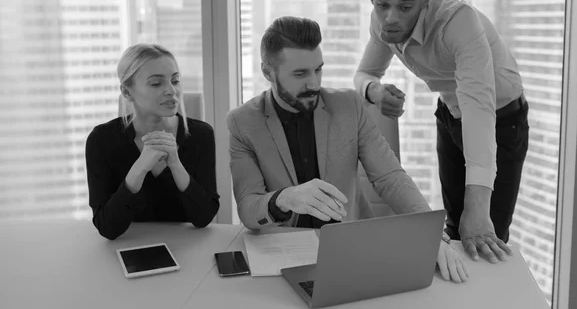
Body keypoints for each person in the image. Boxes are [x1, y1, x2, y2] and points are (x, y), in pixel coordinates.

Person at [228, 16, 468, 283]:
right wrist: (284, 198)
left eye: (318, 70)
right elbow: (248, 208)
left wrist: (431, 233)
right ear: (267, 72)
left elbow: (390, 177)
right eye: (300, 74)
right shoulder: (243, 122)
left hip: (351, 253)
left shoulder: (348, 106)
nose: (314, 84)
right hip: (283, 258)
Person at [354, 0, 529, 263]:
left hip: (501, 118)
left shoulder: (458, 23)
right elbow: (364, 74)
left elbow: (479, 108)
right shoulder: (383, 21)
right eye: (382, 4)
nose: (391, 17)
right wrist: (375, 91)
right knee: (454, 227)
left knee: (488, 235)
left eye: (405, 7)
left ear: (424, 1)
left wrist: (478, 207)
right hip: (449, 113)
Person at [85, 44, 220, 240]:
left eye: (175, 80)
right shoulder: (101, 140)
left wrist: (175, 164)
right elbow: (107, 228)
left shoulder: (201, 135)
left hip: (187, 248)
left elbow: (204, 217)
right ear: (127, 92)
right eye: (156, 83)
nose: (171, 90)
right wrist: (139, 168)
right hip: (127, 250)